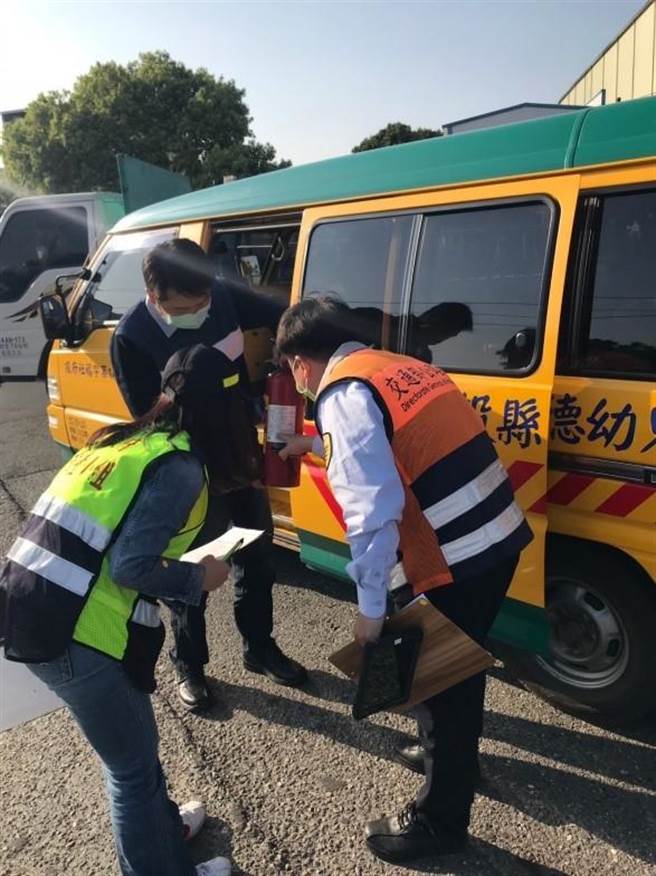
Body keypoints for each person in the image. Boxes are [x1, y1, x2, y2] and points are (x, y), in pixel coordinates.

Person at [275, 296, 534, 865]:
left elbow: (372, 512)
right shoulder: (395, 368)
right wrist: (315, 445)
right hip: (497, 541)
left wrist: (371, 612)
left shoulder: (343, 394)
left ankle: (439, 821)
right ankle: (456, 761)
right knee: (460, 669)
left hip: (453, 559)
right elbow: (393, 444)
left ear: (299, 362)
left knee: (439, 685)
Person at [0, 344, 263, 876]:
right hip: (71, 630)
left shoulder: (127, 440)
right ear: (225, 410)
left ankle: (162, 831)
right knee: (131, 770)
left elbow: (116, 542)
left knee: (137, 749)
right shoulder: (181, 467)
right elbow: (129, 566)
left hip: (32, 604)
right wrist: (200, 576)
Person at [111, 238, 307, 710]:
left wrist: (282, 360)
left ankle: (259, 647)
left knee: (257, 560)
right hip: (188, 474)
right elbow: (146, 420)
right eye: (187, 306)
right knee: (191, 576)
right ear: (155, 297)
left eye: (205, 300)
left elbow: (287, 312)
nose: (201, 310)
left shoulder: (222, 297)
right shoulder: (132, 338)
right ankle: (190, 666)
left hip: (240, 458)